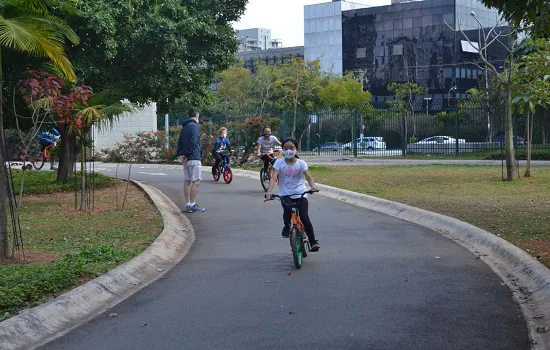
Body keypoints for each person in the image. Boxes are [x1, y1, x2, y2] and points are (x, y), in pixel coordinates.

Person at [266, 138, 320, 252]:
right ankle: (287, 226)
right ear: (282, 150)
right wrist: (270, 191)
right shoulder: (279, 162)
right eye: (286, 148)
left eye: (292, 148)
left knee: (305, 217)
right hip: (285, 194)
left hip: (301, 193)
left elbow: (309, 177)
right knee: (287, 209)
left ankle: (313, 242)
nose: (289, 151)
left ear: (296, 149)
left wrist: (313, 186)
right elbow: (274, 177)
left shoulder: (301, 163)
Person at [177, 108, 206, 213]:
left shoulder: (184, 127)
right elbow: (193, 142)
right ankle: (193, 204)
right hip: (194, 157)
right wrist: (188, 155)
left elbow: (179, 142)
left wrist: (182, 155)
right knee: (196, 181)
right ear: (197, 116)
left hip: (186, 159)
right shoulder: (195, 127)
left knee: (188, 180)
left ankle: (188, 203)